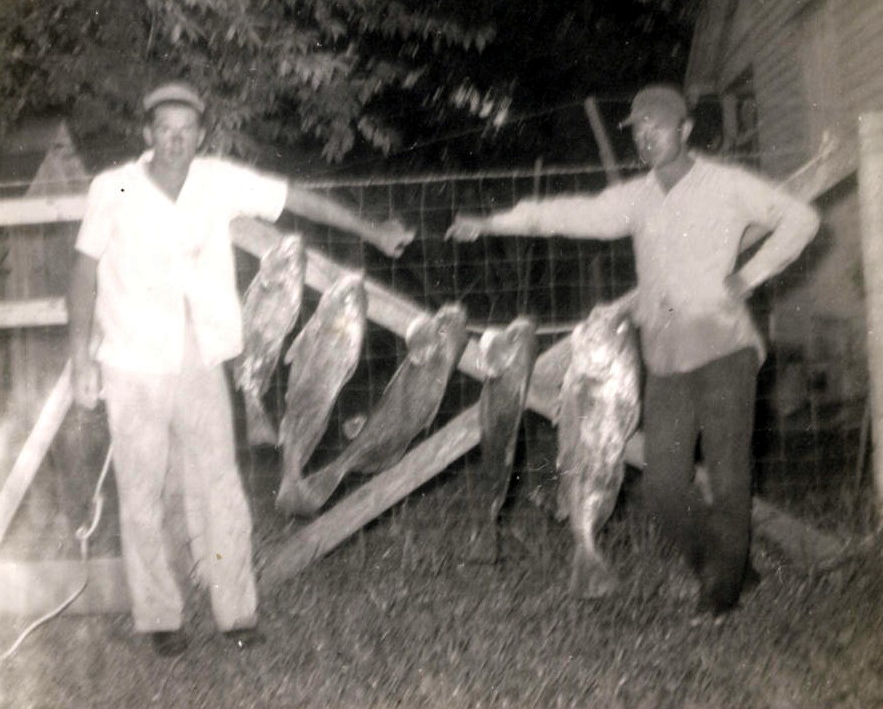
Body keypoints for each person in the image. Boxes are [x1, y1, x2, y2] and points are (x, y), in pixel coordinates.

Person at [447, 84, 820, 621]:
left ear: (685, 129)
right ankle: (727, 565)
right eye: (638, 130)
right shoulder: (637, 197)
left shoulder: (726, 184)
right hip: (665, 360)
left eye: (657, 127)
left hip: (725, 352)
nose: (646, 137)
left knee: (728, 477)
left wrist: (749, 277)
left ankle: (721, 594)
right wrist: (490, 223)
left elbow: (802, 219)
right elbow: (568, 213)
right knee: (663, 487)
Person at [68, 80, 414, 656]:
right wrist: (80, 354)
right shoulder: (116, 185)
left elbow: (297, 198)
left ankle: (236, 612)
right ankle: (159, 617)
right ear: (147, 134)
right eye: (165, 130)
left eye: (186, 131)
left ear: (199, 135)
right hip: (130, 361)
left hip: (201, 358)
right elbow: (83, 271)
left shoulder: (216, 180)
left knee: (222, 484)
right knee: (141, 489)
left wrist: (372, 230)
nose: (176, 141)